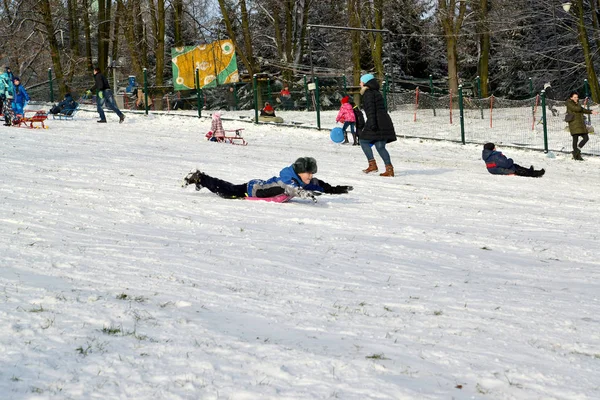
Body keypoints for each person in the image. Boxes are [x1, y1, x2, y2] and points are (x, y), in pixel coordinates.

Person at [182, 157, 353, 200]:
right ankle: (200, 178)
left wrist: (336, 189)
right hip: (253, 189)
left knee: (228, 189)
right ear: (299, 172)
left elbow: (319, 185)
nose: (311, 177)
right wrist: (304, 194)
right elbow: (291, 189)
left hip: (258, 185)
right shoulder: (288, 181)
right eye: (308, 173)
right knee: (227, 191)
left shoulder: (301, 181)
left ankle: (202, 180)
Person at [359, 73, 397, 177]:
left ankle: (372, 165)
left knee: (362, 140)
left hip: (376, 121)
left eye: (361, 81)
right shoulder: (376, 92)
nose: (359, 83)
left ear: (365, 83)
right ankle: (389, 169)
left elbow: (371, 110)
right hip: (385, 121)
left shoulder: (368, 93)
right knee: (380, 146)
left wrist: (372, 124)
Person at [565, 91, 598, 161]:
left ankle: (576, 152)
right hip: (574, 123)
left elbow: (582, 109)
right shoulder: (569, 103)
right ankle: (577, 155)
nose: (576, 98)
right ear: (571, 98)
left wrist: (591, 111)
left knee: (586, 138)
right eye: (574, 97)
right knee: (575, 139)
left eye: (577, 97)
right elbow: (577, 109)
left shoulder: (577, 104)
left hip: (580, 124)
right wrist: (578, 105)